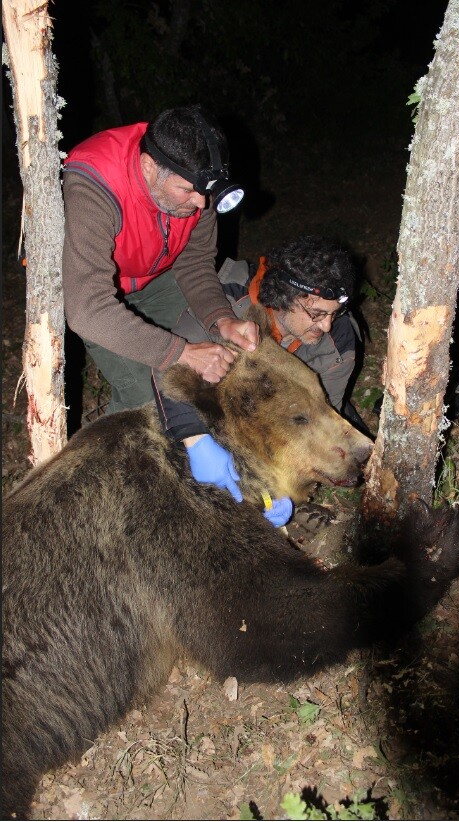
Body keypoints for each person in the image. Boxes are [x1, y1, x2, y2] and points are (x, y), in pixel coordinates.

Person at [61, 104, 290, 526]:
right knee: (145, 395)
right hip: (91, 292)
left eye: (207, 194)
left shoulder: (200, 187)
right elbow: (87, 308)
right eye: (188, 191)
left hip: (155, 276)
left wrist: (222, 320)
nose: (201, 203)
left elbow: (196, 264)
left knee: (219, 359)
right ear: (149, 167)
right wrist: (179, 352)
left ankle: (224, 468)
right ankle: (122, 499)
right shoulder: (94, 185)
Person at [158, 234, 367, 427]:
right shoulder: (224, 304)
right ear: (285, 297)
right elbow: (166, 373)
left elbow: (325, 419)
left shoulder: (339, 338)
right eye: (317, 314)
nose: (326, 325)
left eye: (334, 313)